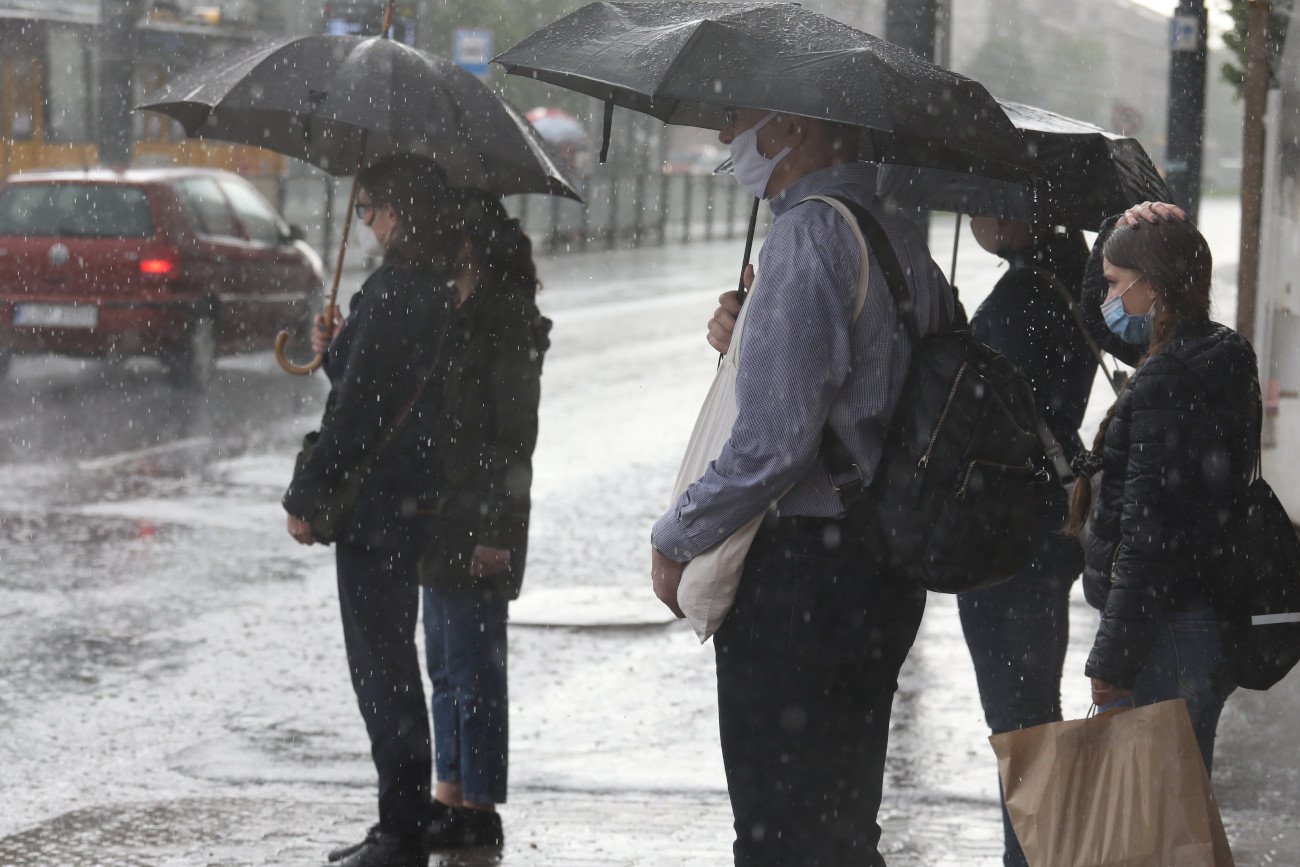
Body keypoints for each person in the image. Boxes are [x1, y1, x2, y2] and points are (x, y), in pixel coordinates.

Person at [653, 108, 952, 866]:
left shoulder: (805, 235)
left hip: (802, 580)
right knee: (844, 821)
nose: (726, 140)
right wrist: (752, 331)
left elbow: (773, 444)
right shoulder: (899, 238)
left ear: (792, 129)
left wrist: (677, 537)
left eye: (739, 121)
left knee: (777, 827)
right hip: (882, 564)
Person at [283, 154, 459, 867]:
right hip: (411, 498)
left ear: (398, 214)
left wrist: (307, 496)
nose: (367, 221)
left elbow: (357, 412)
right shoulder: (431, 289)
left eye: (372, 210)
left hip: (377, 506)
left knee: (382, 668)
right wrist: (335, 349)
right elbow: (371, 384)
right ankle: (404, 818)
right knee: (391, 660)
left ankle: (400, 829)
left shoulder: (393, 292)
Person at [1070, 201, 1261, 773]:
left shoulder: (1167, 379)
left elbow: (1149, 536)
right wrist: (1120, 225)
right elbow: (1093, 312)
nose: (1106, 298)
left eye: (1115, 283)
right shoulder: (1218, 353)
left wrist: (1112, 662)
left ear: (1150, 289)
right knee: (1176, 805)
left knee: (1152, 822)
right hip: (1203, 617)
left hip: (1165, 630)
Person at [956, 217, 1096, 867]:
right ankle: (1045, 851)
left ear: (1022, 213)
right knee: (1034, 704)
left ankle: (1034, 857)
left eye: (987, 200)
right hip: (1047, 518)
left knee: (1020, 717)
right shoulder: (1071, 283)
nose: (976, 217)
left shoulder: (1022, 300)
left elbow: (984, 416)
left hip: (1004, 530)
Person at [417, 191, 551, 851]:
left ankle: (479, 803)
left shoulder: (508, 321)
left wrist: (498, 530)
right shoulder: (452, 309)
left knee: (476, 672)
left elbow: (513, 436)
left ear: (467, 242)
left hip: (480, 520)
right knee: (443, 662)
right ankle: (448, 792)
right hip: (440, 514)